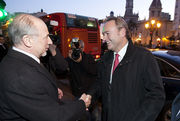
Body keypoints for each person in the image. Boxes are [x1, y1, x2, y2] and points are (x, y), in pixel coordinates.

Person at [0, 14, 91, 121]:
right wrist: (82, 104)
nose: (50, 42)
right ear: (28, 40)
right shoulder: (21, 77)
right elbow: (55, 117)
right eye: (46, 37)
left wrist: (50, 90)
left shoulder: (18, 61)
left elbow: (34, 89)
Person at [87, 16, 165, 121]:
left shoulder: (144, 57)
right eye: (103, 34)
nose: (103, 39)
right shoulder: (106, 58)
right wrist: (90, 96)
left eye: (107, 34)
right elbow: (100, 82)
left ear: (122, 32)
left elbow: (157, 96)